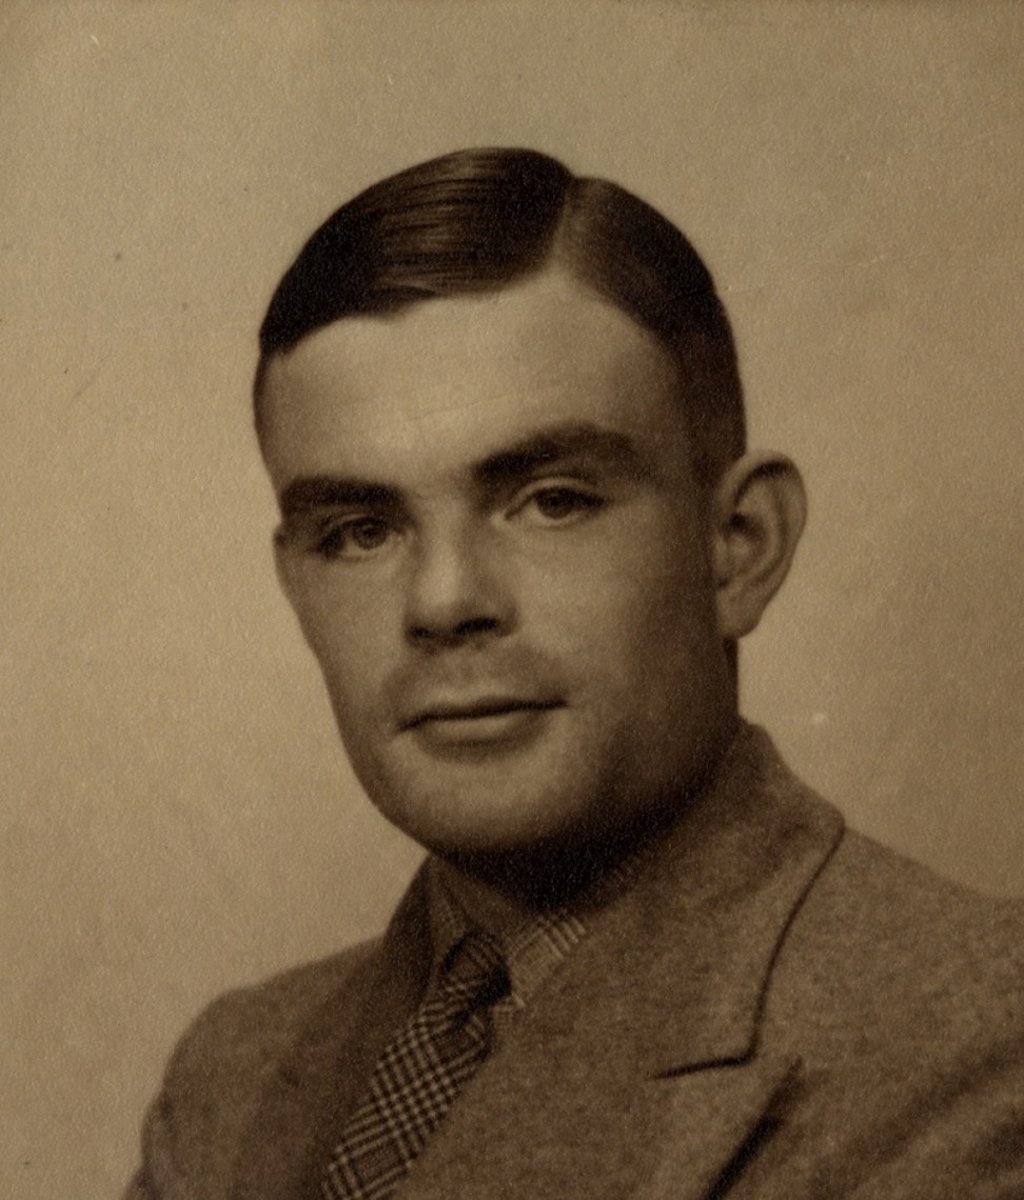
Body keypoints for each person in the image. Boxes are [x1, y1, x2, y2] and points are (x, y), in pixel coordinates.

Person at [124, 148, 1024, 1200]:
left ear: (739, 547)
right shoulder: (232, 1080)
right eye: (360, 531)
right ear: (295, 584)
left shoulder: (975, 1041)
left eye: (552, 500)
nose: (443, 601)